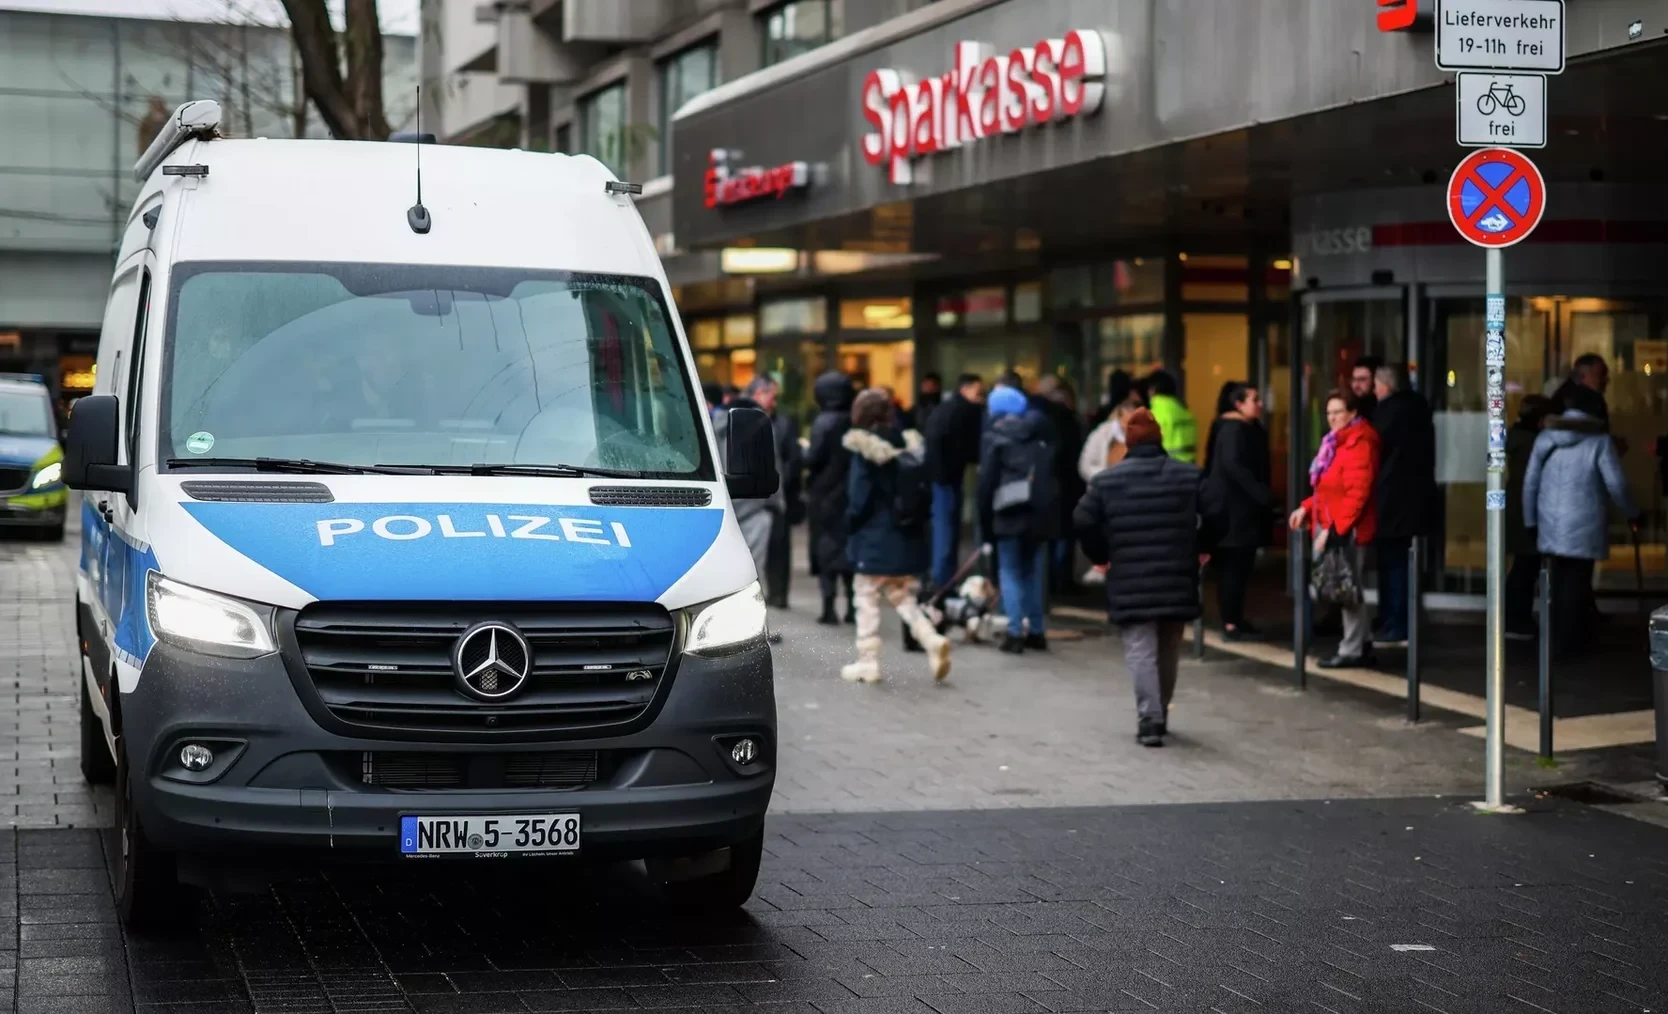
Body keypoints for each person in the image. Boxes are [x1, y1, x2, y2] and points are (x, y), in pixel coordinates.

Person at [1074, 408, 1222, 747]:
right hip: (1177, 575)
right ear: (1159, 440)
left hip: (1130, 577)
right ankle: (1160, 712)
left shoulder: (1107, 481)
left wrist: (1101, 556)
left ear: (1128, 442)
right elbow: (1218, 512)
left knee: (1140, 646)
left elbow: (1082, 519)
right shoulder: (1188, 476)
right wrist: (1202, 548)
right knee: (1168, 645)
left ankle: (1149, 717)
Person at [840, 389, 951, 683]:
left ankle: (867, 662)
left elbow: (859, 499)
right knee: (901, 595)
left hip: (874, 538)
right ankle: (930, 639)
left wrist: (849, 524)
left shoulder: (865, 448)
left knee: (865, 596)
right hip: (908, 538)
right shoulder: (910, 444)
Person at [1522, 385, 1638, 657]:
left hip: (1550, 523)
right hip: (1585, 525)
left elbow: (1530, 484)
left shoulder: (1545, 439)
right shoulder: (1599, 442)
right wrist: (1632, 512)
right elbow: (1617, 484)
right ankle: (1570, 641)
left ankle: (1556, 639)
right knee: (1577, 580)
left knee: (1557, 581)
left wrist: (1530, 521)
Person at [1290, 389, 1381, 669]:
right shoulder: (1335, 442)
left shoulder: (1359, 443)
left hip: (1347, 528)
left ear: (1352, 413)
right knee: (1349, 588)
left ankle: (1352, 649)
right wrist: (1307, 507)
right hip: (1333, 523)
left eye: (1338, 412)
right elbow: (1327, 489)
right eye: (1328, 412)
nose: (1332, 418)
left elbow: (1357, 494)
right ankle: (1362, 642)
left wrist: (1333, 530)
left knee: (1346, 590)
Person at [977, 384, 1058, 653]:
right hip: (1037, 514)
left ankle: (1014, 633)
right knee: (1032, 572)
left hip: (1007, 512)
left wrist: (985, 524)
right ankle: (1036, 631)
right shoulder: (1040, 436)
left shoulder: (994, 439)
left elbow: (986, 486)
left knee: (1009, 571)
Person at [1367, 364, 1435, 648]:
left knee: (1392, 564)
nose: (1373, 390)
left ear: (1385, 386)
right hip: (1415, 497)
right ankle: (1394, 620)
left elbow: (1373, 450)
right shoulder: (1419, 408)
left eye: (1375, 384)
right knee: (1400, 561)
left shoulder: (1388, 412)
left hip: (1391, 498)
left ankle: (1395, 623)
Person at [1201, 382, 1273, 640]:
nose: (1260, 404)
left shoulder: (1241, 427)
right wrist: (1261, 494)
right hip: (1234, 512)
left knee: (1238, 568)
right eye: (1255, 399)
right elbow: (1234, 466)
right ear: (1239, 404)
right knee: (1234, 567)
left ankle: (1234, 619)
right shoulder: (1234, 430)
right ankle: (1231, 622)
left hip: (1238, 511)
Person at [714, 377, 787, 593]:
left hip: (719, 509)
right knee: (751, 577)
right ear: (759, 393)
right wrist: (778, 505)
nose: (774, 402)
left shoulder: (712, 423)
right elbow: (774, 467)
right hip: (755, 507)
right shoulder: (759, 423)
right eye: (772, 396)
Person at [923, 373, 985, 590]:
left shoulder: (947, 409)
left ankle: (944, 580)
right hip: (947, 478)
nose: (981, 397)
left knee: (945, 530)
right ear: (965, 389)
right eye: (978, 391)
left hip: (942, 477)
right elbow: (967, 448)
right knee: (946, 532)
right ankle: (943, 582)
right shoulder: (963, 411)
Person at [805, 371, 857, 625]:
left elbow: (813, 458)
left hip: (824, 495)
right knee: (850, 549)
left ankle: (829, 607)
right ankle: (853, 607)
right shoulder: (855, 420)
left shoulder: (823, 422)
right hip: (850, 493)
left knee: (826, 550)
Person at [1505, 395, 1555, 639]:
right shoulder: (1533, 443)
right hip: (1528, 510)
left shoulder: (1516, 438)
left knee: (1523, 567)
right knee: (1526, 568)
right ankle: (1516, 619)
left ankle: (1514, 617)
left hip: (1518, 508)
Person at [1036, 375, 1085, 594]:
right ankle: (1062, 580)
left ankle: (1051, 581)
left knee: (1050, 534)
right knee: (1064, 534)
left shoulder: (1039, 418)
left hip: (1048, 484)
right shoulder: (1068, 420)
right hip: (1068, 483)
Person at [763, 380, 804, 610]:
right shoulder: (751, 421)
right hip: (757, 497)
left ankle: (779, 594)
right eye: (771, 395)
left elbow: (794, 459)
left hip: (779, 496)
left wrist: (779, 482)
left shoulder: (784, 424)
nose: (774, 401)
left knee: (779, 547)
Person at [1079, 369, 1139, 483]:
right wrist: (1107, 477)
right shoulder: (1103, 433)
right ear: (1121, 410)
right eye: (1130, 408)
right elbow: (1085, 465)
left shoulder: (1145, 433)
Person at [1144, 369, 1197, 463]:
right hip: (1189, 466)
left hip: (1166, 466)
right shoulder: (1184, 411)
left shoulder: (1155, 413)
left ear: (1153, 389)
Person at [1350, 355, 1383, 422]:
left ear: (1375, 380)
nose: (1355, 385)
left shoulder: (1384, 410)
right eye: (1353, 379)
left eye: (1362, 379)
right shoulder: (1350, 407)